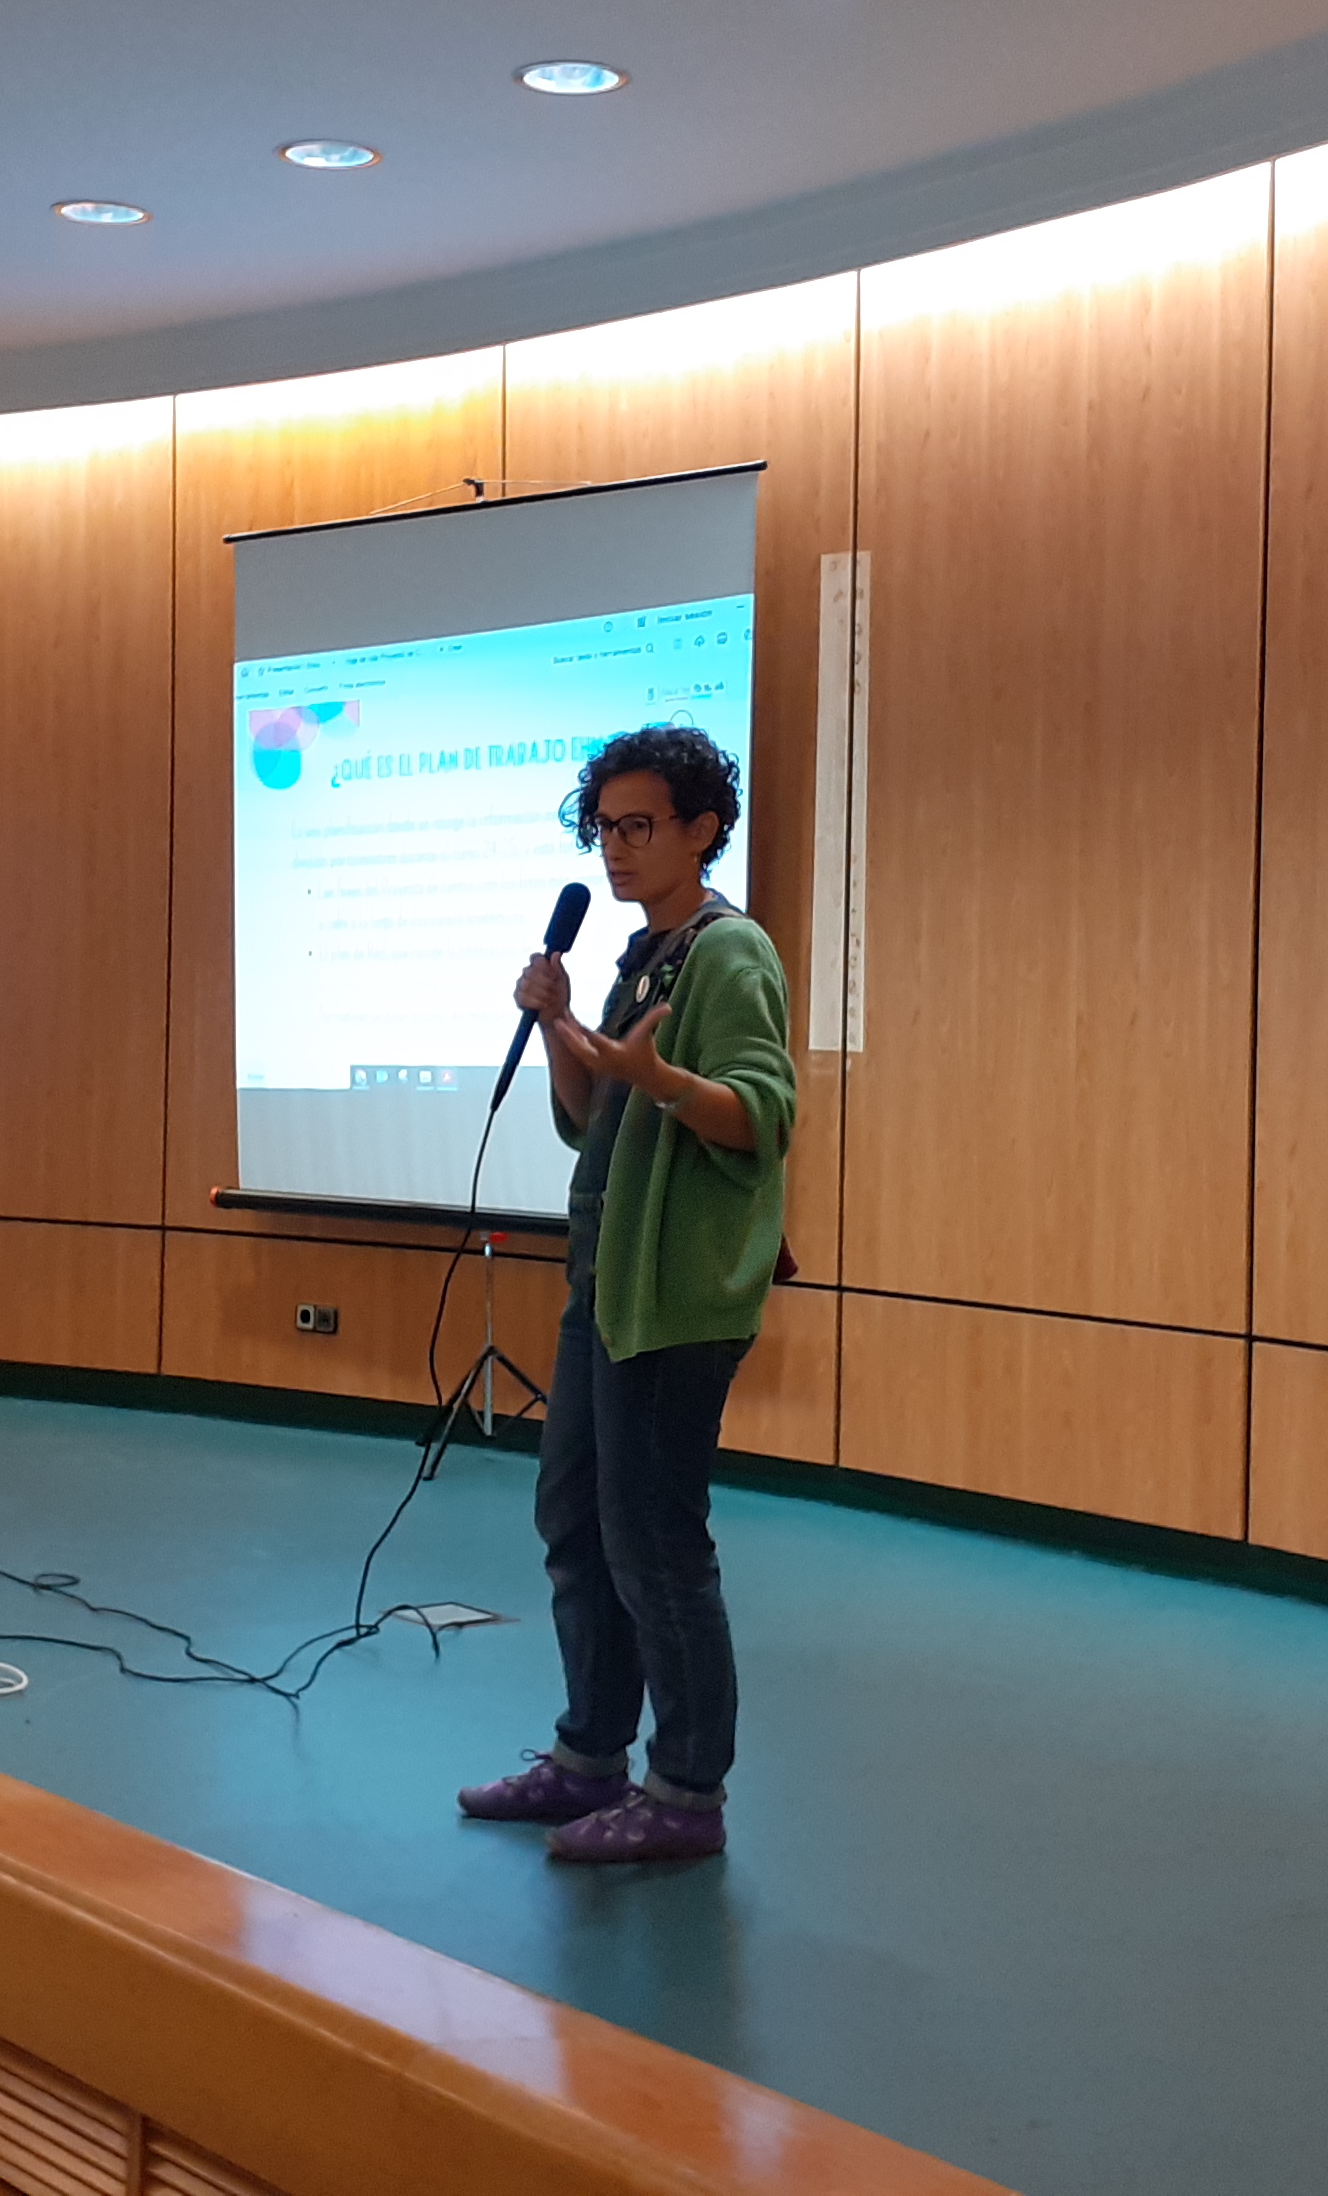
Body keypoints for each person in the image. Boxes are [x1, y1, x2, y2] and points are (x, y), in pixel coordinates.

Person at [457, 724, 794, 1865]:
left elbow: (761, 1116)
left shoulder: (728, 954)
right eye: (603, 827)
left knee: (656, 1542)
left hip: (676, 1298)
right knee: (578, 1521)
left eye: (639, 825)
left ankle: (687, 1792)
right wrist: (562, 1026)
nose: (614, 847)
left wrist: (664, 1077)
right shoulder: (642, 955)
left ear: (703, 829)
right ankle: (588, 1758)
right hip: (604, 1285)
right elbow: (587, 1119)